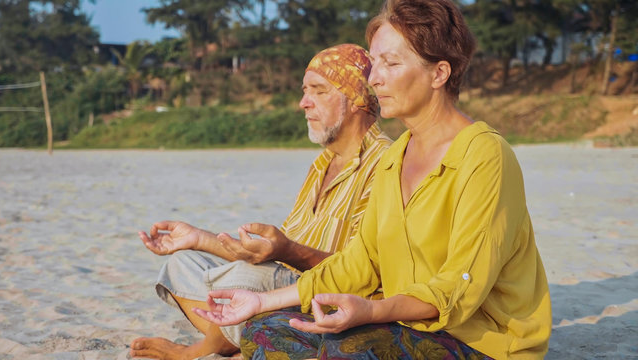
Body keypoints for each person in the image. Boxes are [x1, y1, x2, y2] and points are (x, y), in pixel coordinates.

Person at [192, 0, 553, 359]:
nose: (374, 77)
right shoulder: (395, 158)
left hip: (481, 341)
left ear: (439, 73)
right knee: (265, 330)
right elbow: (360, 262)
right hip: (406, 326)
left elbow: (461, 285)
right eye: (374, 61)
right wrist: (261, 300)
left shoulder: (484, 154)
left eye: (391, 63)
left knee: (343, 350)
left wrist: (371, 312)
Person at [129, 43, 393, 360]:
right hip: (284, 282)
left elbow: (363, 274)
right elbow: (276, 256)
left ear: (356, 100)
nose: (303, 103)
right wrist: (199, 238)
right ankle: (242, 338)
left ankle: (195, 352)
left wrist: (285, 251)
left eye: (318, 91)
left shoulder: (384, 163)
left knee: (245, 278)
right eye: (304, 91)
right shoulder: (322, 163)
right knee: (183, 263)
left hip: (331, 298)